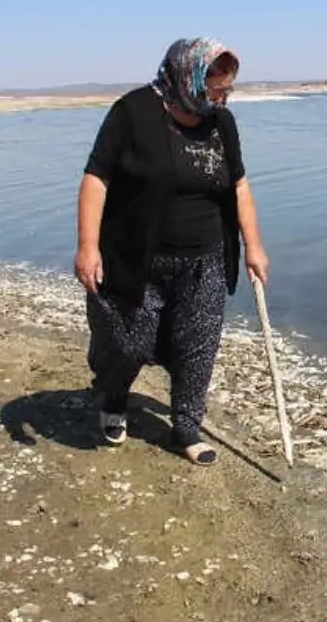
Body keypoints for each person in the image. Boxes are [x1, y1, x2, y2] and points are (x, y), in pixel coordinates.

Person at [75, 37, 269, 465]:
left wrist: (253, 245)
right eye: (214, 89)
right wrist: (88, 246)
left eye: (227, 91)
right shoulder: (133, 112)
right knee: (129, 343)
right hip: (137, 256)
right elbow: (96, 178)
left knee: (197, 345)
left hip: (206, 259)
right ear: (188, 76)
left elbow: (238, 184)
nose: (221, 98)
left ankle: (186, 427)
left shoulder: (222, 123)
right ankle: (113, 398)